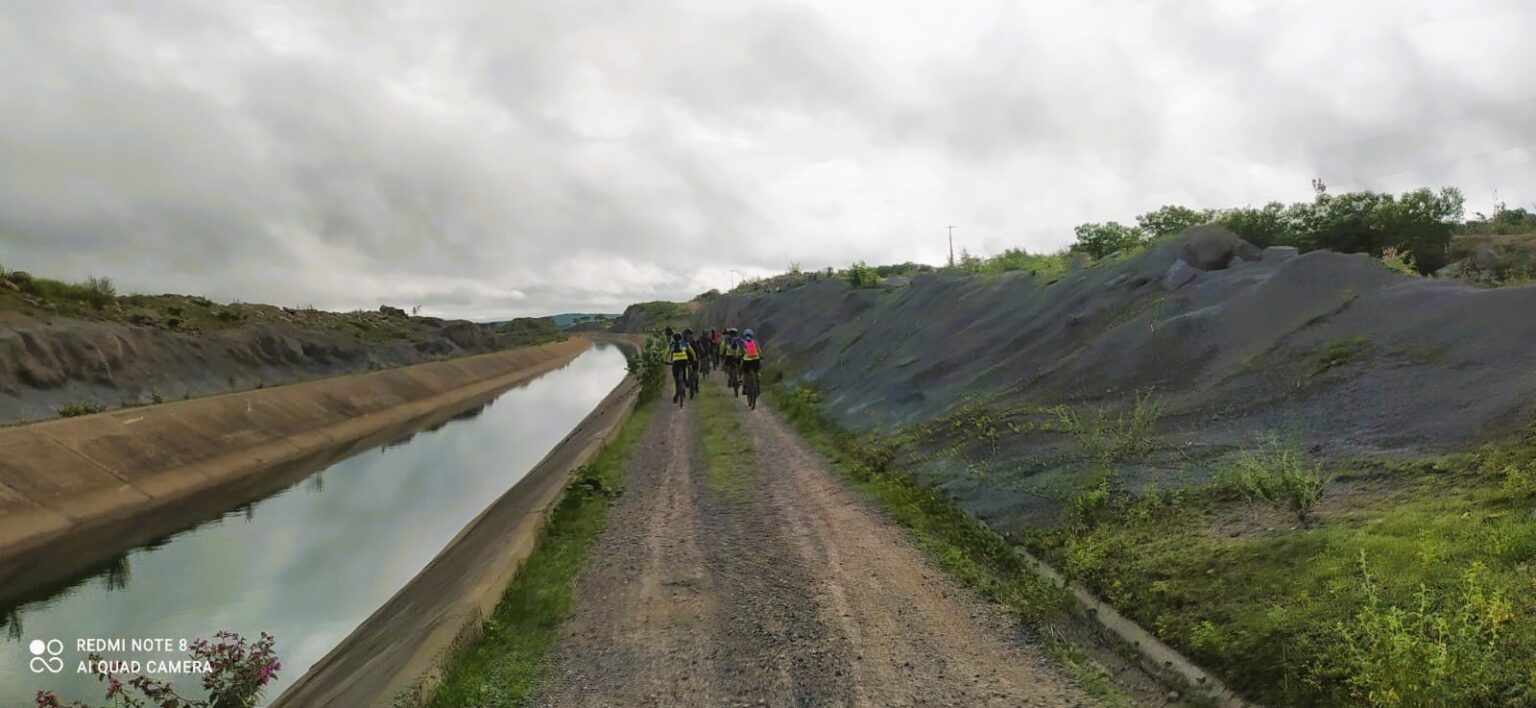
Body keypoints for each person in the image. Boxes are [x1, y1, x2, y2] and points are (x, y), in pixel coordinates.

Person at [668, 332, 692, 405]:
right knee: (685, 370)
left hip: (675, 363)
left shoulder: (671, 345)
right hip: (684, 361)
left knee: (676, 379)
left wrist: (665, 361)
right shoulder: (684, 344)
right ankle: (686, 381)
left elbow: (666, 353)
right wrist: (694, 358)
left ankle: (676, 395)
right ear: (681, 338)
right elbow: (692, 352)